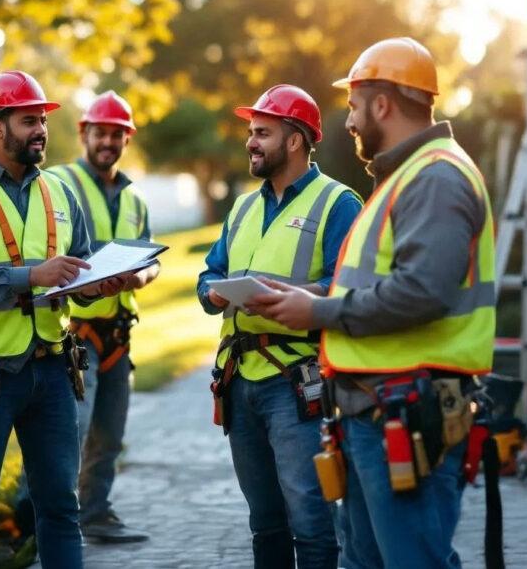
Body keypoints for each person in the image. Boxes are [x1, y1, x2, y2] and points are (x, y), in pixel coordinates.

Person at [250, 37, 496, 569]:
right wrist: (312, 294)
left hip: (405, 411)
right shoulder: (405, 177)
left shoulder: (435, 178)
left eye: (355, 105)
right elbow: (379, 281)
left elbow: (423, 292)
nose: (350, 122)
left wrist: (318, 312)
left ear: (382, 104)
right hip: (376, 412)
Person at [0, 70, 125, 568]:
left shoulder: (62, 192)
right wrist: (30, 277)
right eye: (29, 120)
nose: (40, 129)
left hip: (52, 370)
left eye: (42, 119)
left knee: (61, 505)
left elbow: (79, 268)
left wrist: (97, 286)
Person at [197, 84, 362, 569]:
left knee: (311, 522)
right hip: (239, 382)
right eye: (250, 132)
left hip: (297, 385)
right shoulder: (244, 207)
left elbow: (349, 290)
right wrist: (213, 291)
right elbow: (210, 272)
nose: (250, 141)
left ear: (294, 140)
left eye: (262, 133)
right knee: (265, 524)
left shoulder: (338, 203)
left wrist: (290, 294)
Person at [48, 91, 160, 542]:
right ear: (84, 134)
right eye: (101, 133)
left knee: (109, 436)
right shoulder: (58, 184)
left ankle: (95, 512)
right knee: (70, 432)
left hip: (119, 332)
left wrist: (143, 278)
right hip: (76, 331)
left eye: (117, 134)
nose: (108, 141)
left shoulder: (135, 199)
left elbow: (152, 258)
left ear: (126, 138)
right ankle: (42, 519)